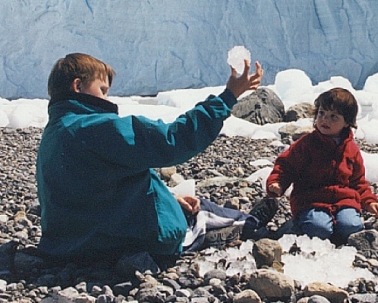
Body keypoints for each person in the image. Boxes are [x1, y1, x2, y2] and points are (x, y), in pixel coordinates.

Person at [36, 52, 264, 261]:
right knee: (208, 215)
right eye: (103, 90)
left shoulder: (55, 132)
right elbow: (173, 140)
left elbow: (99, 184)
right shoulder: (97, 127)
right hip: (126, 241)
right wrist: (228, 96)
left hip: (67, 245)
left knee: (182, 204)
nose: (107, 98)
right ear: (78, 86)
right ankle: (241, 225)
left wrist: (169, 197)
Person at [266, 87, 378, 244]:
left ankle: (333, 230)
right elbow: (286, 166)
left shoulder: (351, 149)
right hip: (311, 200)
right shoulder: (306, 144)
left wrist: (369, 201)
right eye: (322, 113)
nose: (325, 120)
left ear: (347, 122)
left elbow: (358, 182)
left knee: (351, 226)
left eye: (333, 117)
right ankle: (300, 226)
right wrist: (277, 183)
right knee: (319, 228)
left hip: (344, 200)